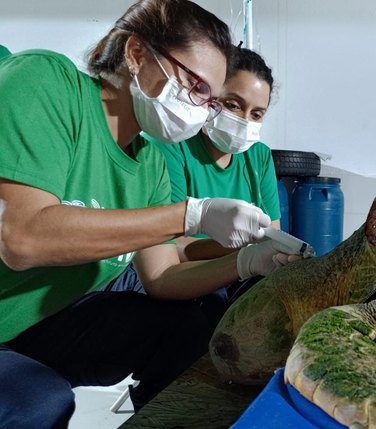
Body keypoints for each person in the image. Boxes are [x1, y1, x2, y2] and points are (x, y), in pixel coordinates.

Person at [0, 0, 296, 426]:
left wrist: (246, 262)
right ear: (137, 54)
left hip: (46, 324)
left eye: (208, 98)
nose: (200, 107)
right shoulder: (47, 82)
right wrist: (191, 215)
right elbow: (22, 238)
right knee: (40, 400)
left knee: (187, 331)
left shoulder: (150, 166)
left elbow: (160, 278)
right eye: (195, 86)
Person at [108, 46, 282, 308]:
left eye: (256, 114)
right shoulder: (169, 147)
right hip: (174, 280)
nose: (245, 121)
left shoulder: (258, 157)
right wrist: (242, 253)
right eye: (233, 105)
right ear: (207, 96)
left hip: (233, 274)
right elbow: (167, 252)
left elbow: (272, 235)